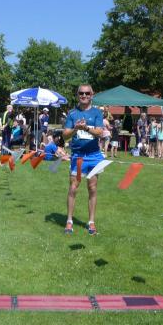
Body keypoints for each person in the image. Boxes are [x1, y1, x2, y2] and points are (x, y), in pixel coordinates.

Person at [63, 84, 104, 235]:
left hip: (93, 156)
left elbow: (100, 132)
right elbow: (65, 136)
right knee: (73, 187)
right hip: (78, 156)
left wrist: (86, 128)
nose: (84, 96)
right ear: (78, 95)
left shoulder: (97, 113)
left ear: (92, 95)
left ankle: (91, 222)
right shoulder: (72, 113)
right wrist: (76, 129)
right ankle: (69, 221)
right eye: (81, 93)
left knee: (92, 188)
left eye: (87, 93)